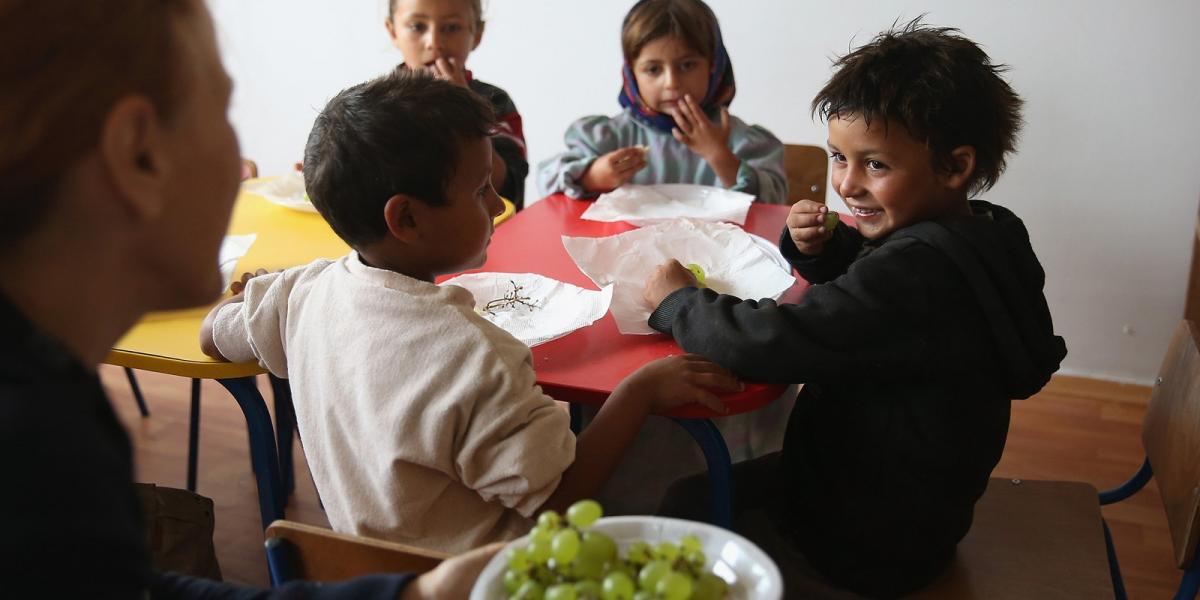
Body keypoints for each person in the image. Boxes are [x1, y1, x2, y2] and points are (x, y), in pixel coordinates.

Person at [0, 0, 504, 597]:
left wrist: (409, 593)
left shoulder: (47, 401)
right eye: (220, 110)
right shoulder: (33, 447)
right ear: (137, 154)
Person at [199, 70, 741, 554]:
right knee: (671, 464)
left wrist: (252, 296)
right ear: (406, 219)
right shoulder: (475, 356)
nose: (499, 205)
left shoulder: (303, 293)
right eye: (481, 189)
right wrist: (637, 392)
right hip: (491, 579)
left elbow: (212, 337)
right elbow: (558, 500)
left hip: (369, 577)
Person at [643, 20, 1068, 597]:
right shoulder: (987, 232)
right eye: (838, 158)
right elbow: (881, 308)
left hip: (862, 543)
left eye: (875, 165)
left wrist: (678, 302)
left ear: (954, 166)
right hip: (917, 512)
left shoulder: (915, 275)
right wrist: (829, 249)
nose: (846, 184)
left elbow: (773, 343)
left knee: (681, 502)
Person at [536, 0, 787, 204]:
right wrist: (592, 176)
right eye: (653, 69)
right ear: (631, 73)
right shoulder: (608, 138)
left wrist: (718, 155)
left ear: (713, 65)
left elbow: (776, 201)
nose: (671, 83)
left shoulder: (739, 140)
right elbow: (545, 179)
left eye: (687, 65)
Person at [386, 0, 529, 209]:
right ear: (393, 31)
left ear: (477, 34)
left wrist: (465, 110)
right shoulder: (380, 106)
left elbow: (506, 189)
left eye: (451, 28)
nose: (434, 43)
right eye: (417, 26)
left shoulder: (494, 102)